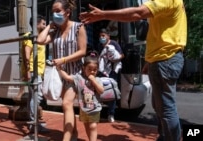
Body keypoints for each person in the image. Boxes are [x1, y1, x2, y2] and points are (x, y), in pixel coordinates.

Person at [80, 1, 187, 141]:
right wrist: (149, 61)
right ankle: (164, 136)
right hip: (162, 59)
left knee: (166, 108)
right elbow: (164, 34)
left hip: (164, 60)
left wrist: (102, 14)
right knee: (160, 106)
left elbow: (138, 13)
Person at [36, 0, 87, 140]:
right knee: (67, 107)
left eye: (57, 11)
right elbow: (40, 41)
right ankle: (74, 134)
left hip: (74, 74)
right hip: (60, 75)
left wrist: (64, 60)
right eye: (53, 11)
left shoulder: (78, 27)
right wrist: (50, 26)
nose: (55, 14)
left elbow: (82, 51)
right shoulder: (55, 31)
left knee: (66, 104)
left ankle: (66, 138)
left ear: (68, 12)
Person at [57, 51, 104, 141]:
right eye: (89, 69)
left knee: (93, 126)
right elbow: (67, 77)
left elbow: (101, 91)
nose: (92, 72)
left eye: (95, 70)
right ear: (84, 68)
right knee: (87, 126)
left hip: (94, 110)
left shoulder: (98, 79)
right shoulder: (79, 78)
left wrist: (93, 81)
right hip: (83, 110)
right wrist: (59, 69)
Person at [21, 15, 47, 133]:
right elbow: (27, 55)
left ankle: (33, 122)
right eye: (43, 23)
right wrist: (27, 72)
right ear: (37, 24)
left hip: (38, 71)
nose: (45, 26)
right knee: (36, 97)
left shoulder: (39, 37)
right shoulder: (30, 36)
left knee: (33, 97)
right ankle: (34, 123)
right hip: (33, 71)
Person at [97, 28, 124, 123]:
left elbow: (121, 55)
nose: (101, 38)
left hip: (112, 72)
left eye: (103, 36)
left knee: (111, 92)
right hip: (101, 72)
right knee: (99, 92)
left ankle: (111, 114)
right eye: (100, 36)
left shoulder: (114, 44)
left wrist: (114, 60)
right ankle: (98, 113)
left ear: (108, 36)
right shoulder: (100, 46)